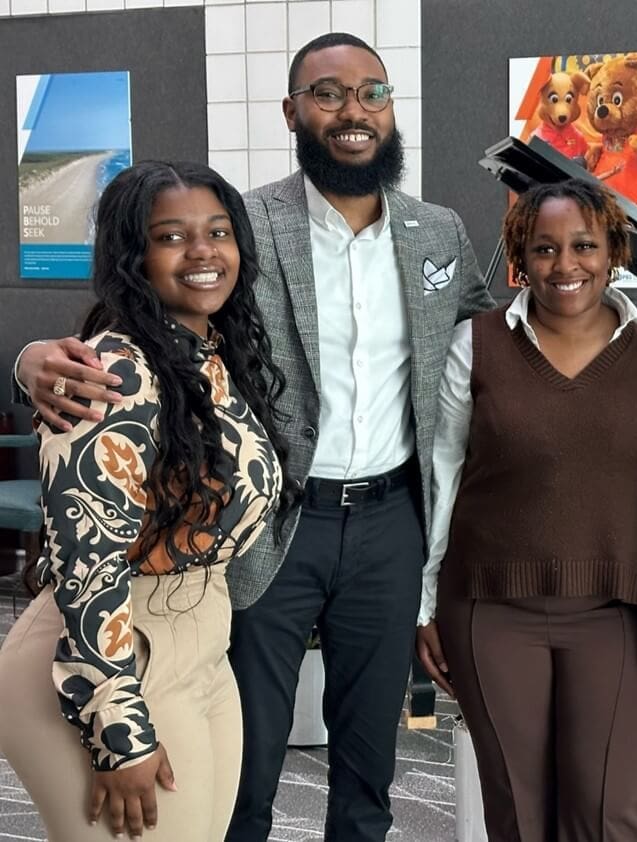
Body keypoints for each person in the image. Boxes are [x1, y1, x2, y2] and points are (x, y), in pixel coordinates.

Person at [13, 33, 493, 842]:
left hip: (389, 522)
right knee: (245, 758)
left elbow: (492, 342)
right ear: (292, 112)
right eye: (328, 93)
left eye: (371, 92)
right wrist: (34, 360)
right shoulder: (242, 225)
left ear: (390, 105)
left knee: (371, 758)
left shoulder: (435, 232)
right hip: (270, 523)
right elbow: (148, 312)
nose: (352, 110)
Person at [0, 160, 294, 841]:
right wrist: (119, 733)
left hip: (199, 643)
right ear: (133, 256)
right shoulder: (115, 372)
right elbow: (89, 563)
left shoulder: (211, 353)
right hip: (111, 657)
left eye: (218, 232)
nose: (202, 251)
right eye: (171, 236)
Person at [414, 178, 637, 841]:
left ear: (613, 251)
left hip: (616, 612)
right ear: (519, 256)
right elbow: (441, 477)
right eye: (543, 248)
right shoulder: (472, 346)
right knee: (518, 814)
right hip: (488, 609)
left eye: (583, 246)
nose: (564, 266)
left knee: (609, 814)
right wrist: (424, 608)